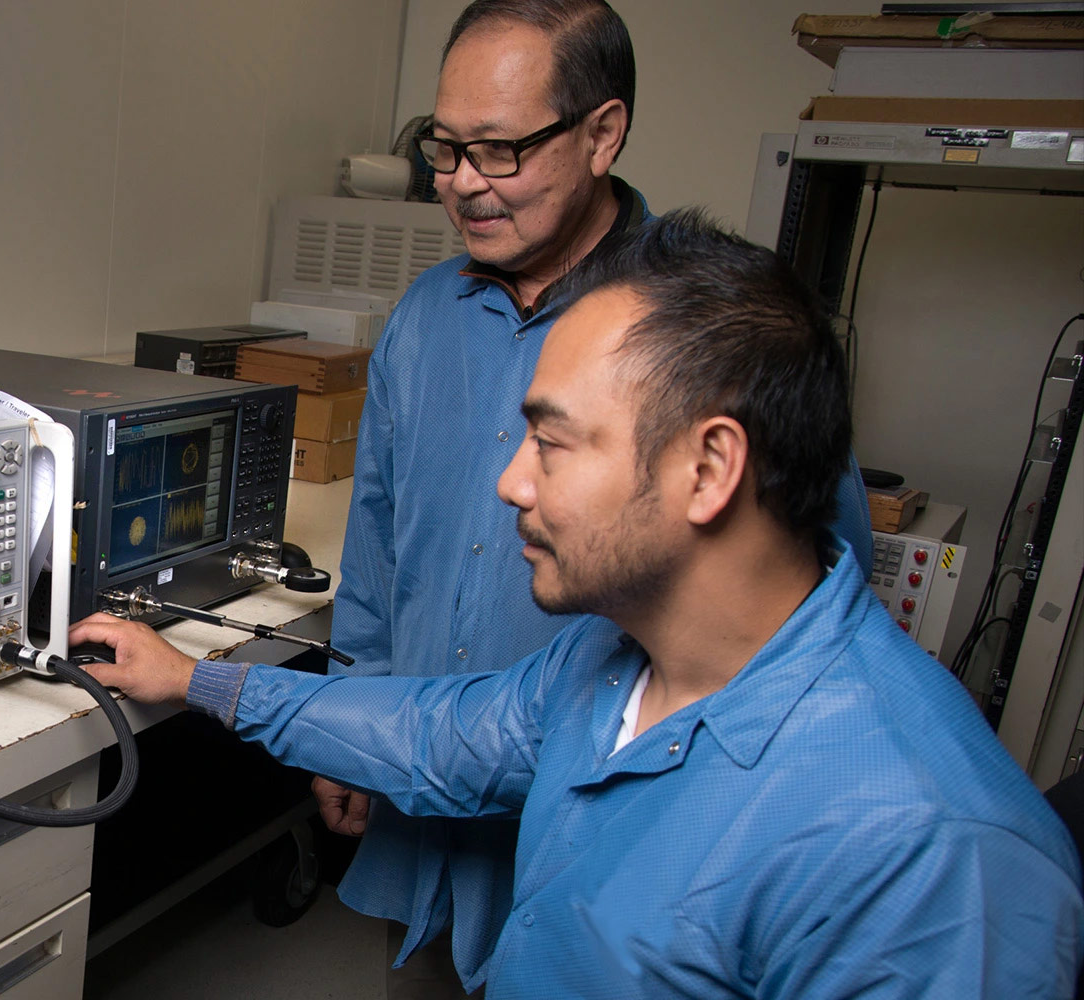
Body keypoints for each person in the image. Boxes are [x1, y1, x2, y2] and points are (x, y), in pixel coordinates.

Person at [73, 212, 1083, 998]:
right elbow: (440, 734)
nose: (510, 482)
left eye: (551, 443)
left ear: (708, 468)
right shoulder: (614, 664)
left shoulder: (928, 859)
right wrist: (200, 682)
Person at [328, 2, 875, 993]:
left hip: (613, 826)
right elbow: (377, 540)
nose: (462, 182)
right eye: (443, 149)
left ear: (601, 133)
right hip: (427, 783)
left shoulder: (709, 324)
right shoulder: (423, 317)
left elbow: (814, 588)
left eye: (499, 150)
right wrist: (348, 717)